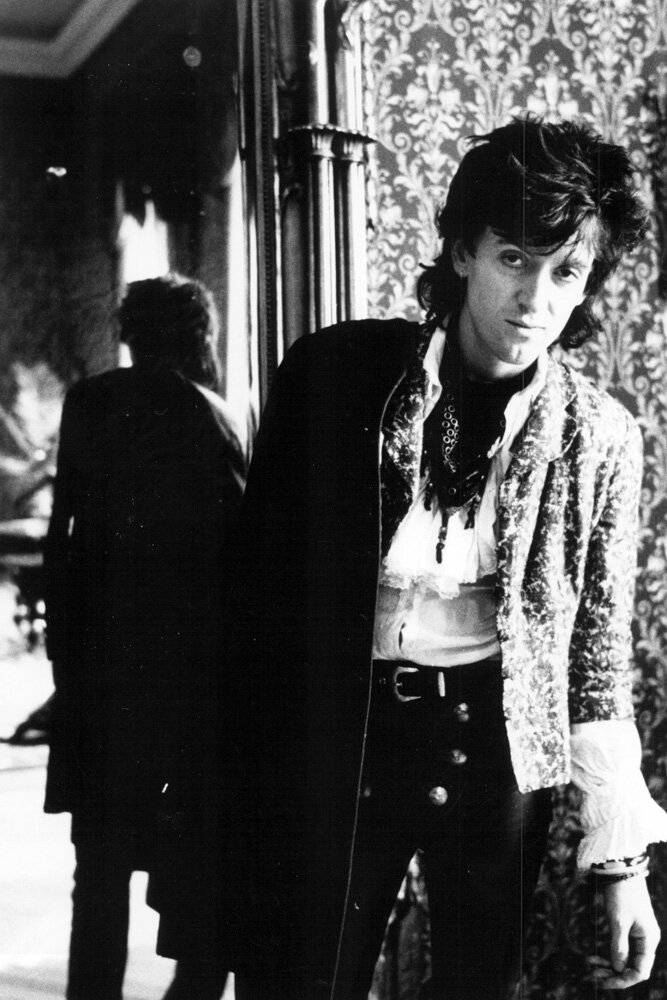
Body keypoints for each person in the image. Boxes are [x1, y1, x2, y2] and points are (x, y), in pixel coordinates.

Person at [160, 117, 667, 998]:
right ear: (464, 251)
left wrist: (623, 868)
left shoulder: (603, 437)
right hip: (334, 734)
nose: (535, 298)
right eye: (513, 258)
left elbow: (593, 658)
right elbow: (247, 605)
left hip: (492, 755)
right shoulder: (333, 373)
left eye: (565, 272)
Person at [43, 274, 246, 1000]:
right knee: (199, 867)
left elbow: (61, 540)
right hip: (186, 685)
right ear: (200, 337)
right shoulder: (215, 416)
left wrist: (65, 661)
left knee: (97, 873)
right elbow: (238, 561)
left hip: (101, 679)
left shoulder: (89, 402)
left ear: (129, 334)